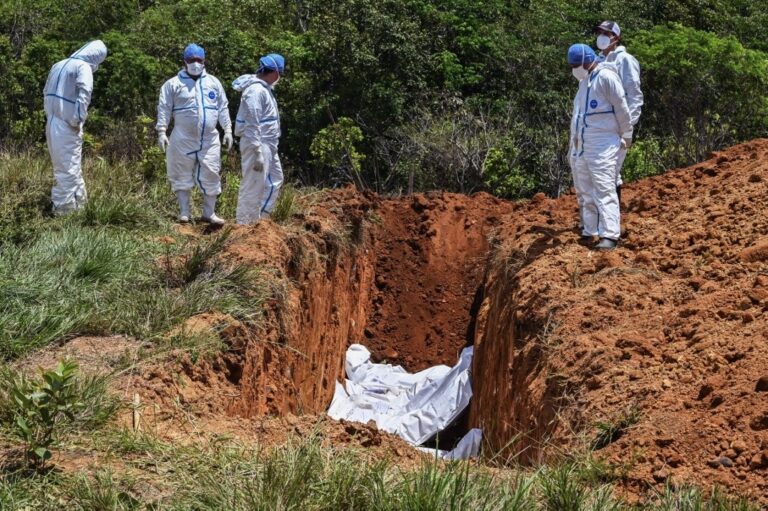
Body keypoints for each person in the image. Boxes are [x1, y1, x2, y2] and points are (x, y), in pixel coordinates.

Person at [156, 43, 233, 224]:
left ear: (204, 61)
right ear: (185, 61)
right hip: (182, 137)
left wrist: (228, 130)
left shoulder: (213, 83)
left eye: (199, 60)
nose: (195, 63)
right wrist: (161, 131)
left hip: (209, 138)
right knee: (180, 172)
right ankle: (184, 212)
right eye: (191, 60)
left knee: (212, 171)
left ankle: (209, 213)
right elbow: (164, 108)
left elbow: (222, 107)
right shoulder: (172, 85)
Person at [567, 43, 632, 250]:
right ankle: (590, 230)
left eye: (577, 64)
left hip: (603, 144)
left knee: (604, 188)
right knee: (585, 189)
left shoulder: (606, 77)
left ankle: (610, 235)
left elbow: (622, 108)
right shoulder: (584, 83)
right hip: (584, 144)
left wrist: (626, 134)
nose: (575, 68)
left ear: (587, 61)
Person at [43, 40, 108, 215]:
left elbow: (45, 91)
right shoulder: (83, 67)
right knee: (68, 168)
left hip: (52, 122)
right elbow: (84, 93)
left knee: (66, 165)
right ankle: (64, 212)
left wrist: (50, 114)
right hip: (67, 124)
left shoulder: (58, 65)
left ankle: (80, 206)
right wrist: (77, 120)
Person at [232, 53, 285, 225]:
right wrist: (257, 151)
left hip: (268, 144)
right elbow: (252, 122)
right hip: (257, 143)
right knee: (253, 184)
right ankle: (245, 223)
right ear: (274, 72)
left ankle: (261, 218)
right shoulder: (255, 91)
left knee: (274, 180)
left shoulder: (264, 89)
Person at [595, 20, 644, 203]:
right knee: (601, 171)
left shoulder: (625, 60)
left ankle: (611, 220)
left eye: (606, 34)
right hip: (600, 126)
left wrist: (628, 126)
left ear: (616, 37)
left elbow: (634, 94)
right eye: (599, 33)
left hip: (618, 125)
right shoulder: (598, 60)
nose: (601, 37)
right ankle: (605, 218)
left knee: (611, 171)